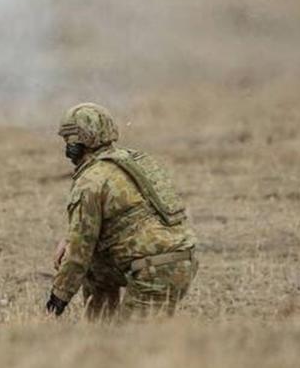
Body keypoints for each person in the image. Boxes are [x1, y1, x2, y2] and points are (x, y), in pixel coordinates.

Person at [46, 103, 198, 319]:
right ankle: (100, 329)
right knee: (95, 271)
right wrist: (70, 239)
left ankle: (107, 336)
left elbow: (80, 251)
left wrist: (57, 300)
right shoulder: (135, 161)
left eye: (68, 139)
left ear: (79, 140)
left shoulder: (90, 180)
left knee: (133, 345)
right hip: (182, 259)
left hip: (155, 272)